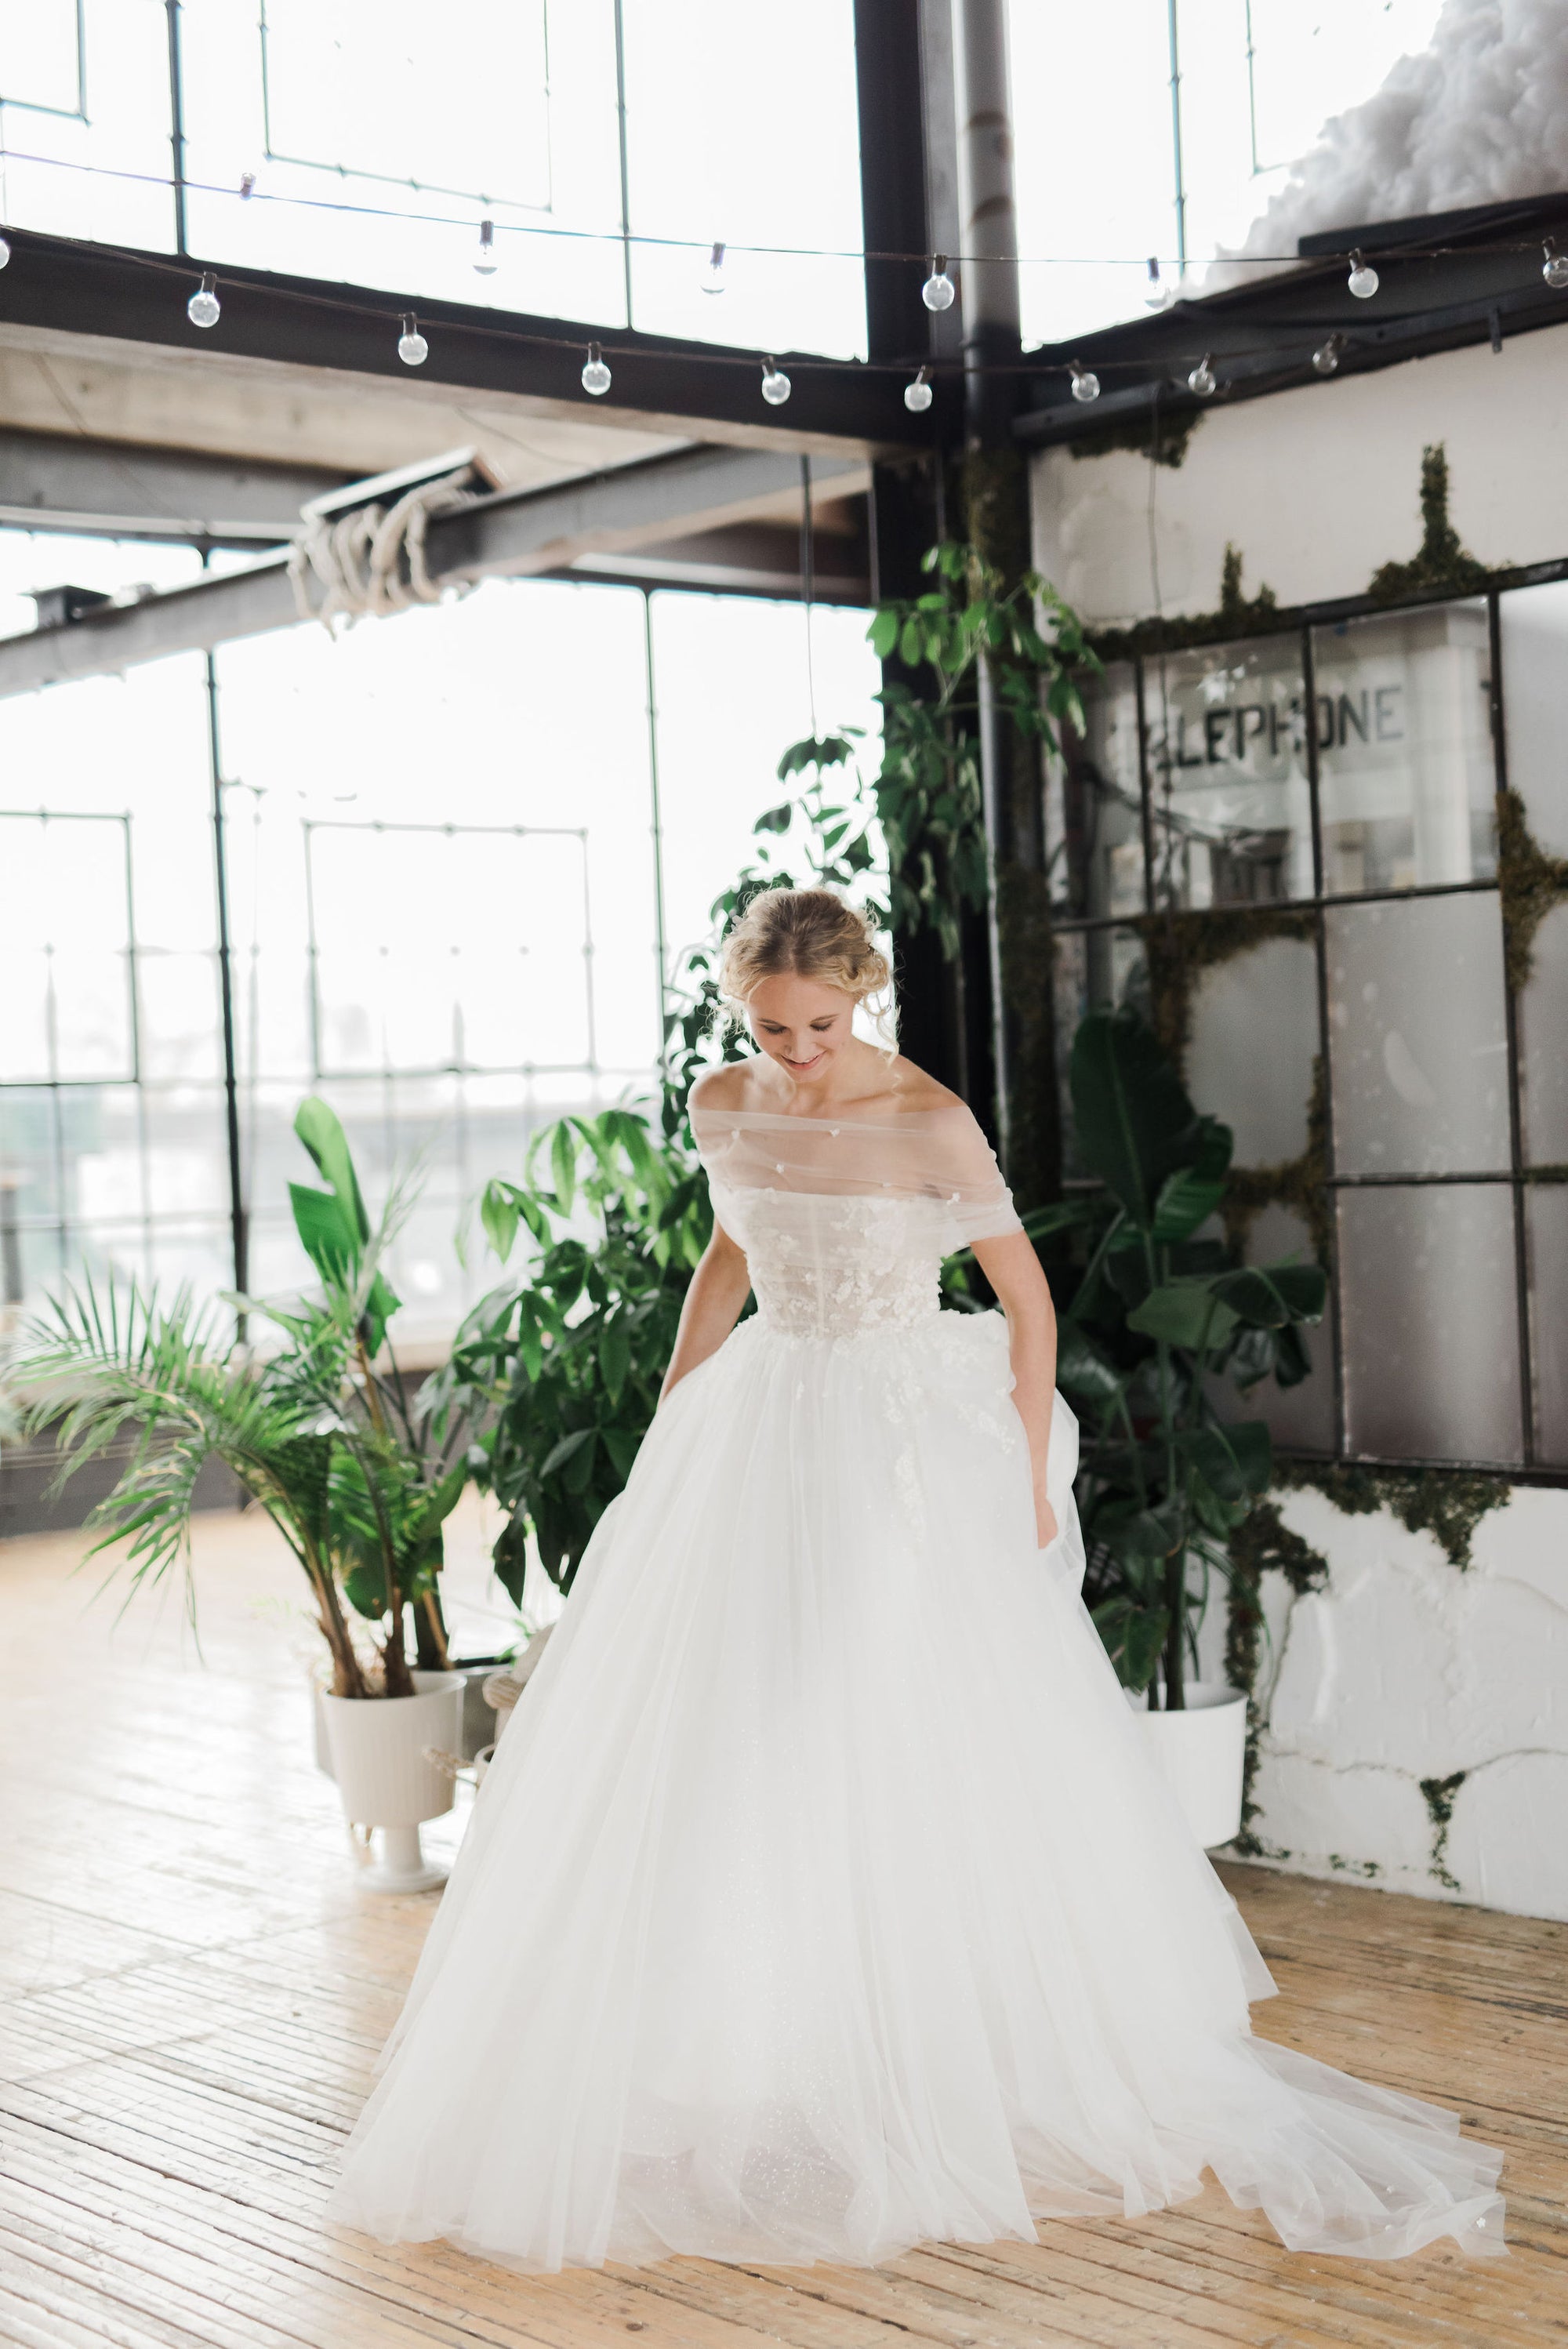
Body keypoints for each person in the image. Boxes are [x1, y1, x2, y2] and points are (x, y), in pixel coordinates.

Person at [330, 884, 1504, 2273]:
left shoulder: (929, 1119)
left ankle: (918, 2050)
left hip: (894, 1444)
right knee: (738, 1728)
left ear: (861, 994)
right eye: (771, 1026)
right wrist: (673, 1417)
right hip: (762, 1428)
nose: (797, 1049)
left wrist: (1020, 1458)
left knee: (872, 1711)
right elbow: (724, 1262)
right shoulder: (724, 1100)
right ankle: (742, 2046)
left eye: (820, 1023)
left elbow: (1026, 1295)